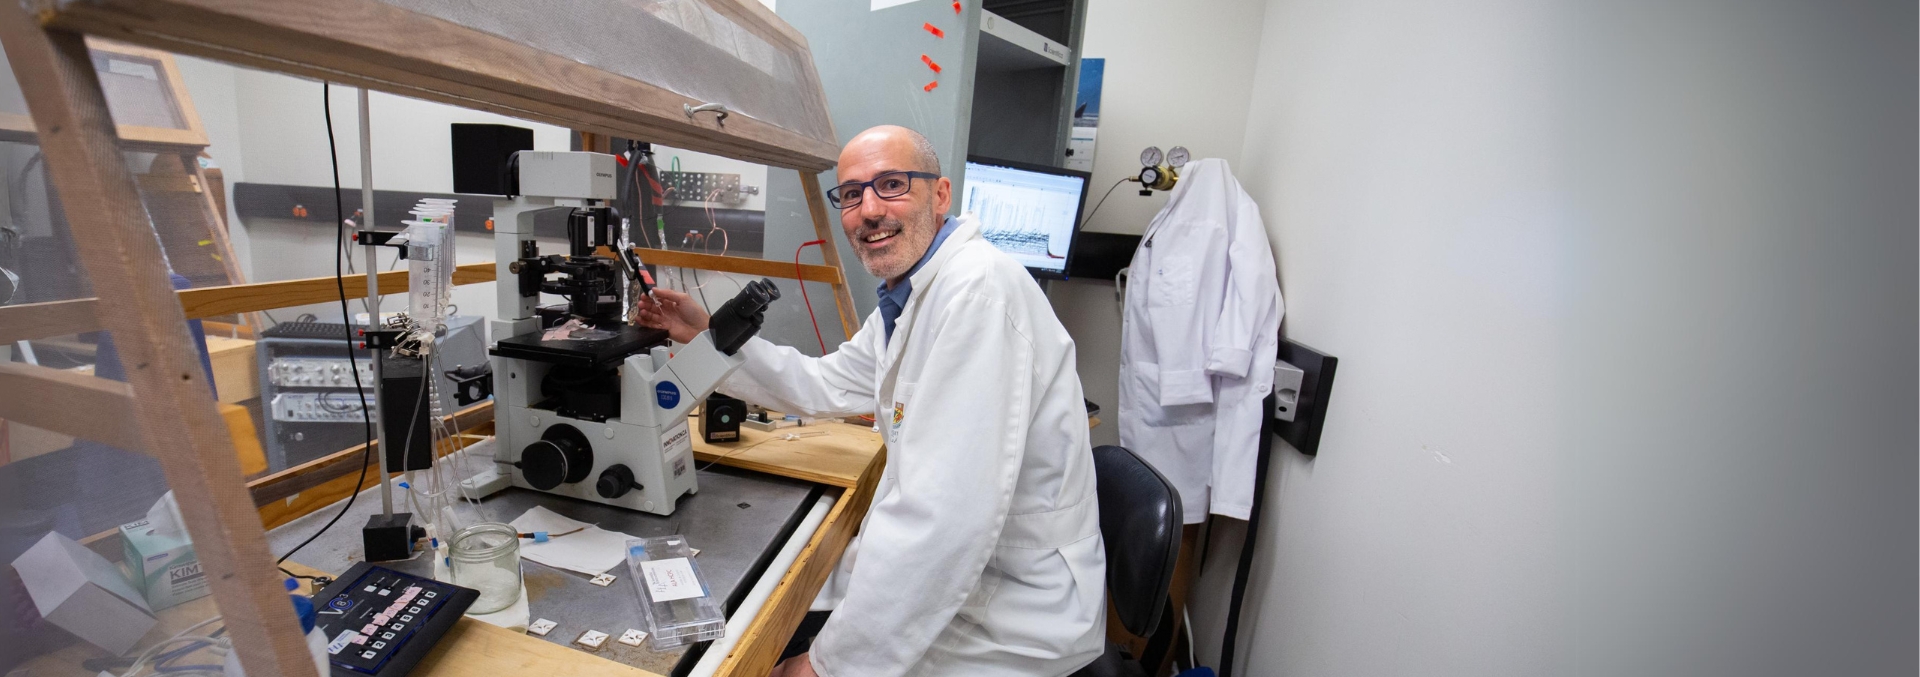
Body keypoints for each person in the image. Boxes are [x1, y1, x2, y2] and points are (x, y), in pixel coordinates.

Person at [637, 125, 1105, 677]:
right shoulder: (912, 294)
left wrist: (827, 667)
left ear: (940, 194)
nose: (868, 210)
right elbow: (826, 383)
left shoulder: (977, 292)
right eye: (853, 194)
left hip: (1011, 610)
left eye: (891, 185)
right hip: (969, 577)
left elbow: (942, 524)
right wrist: (709, 338)